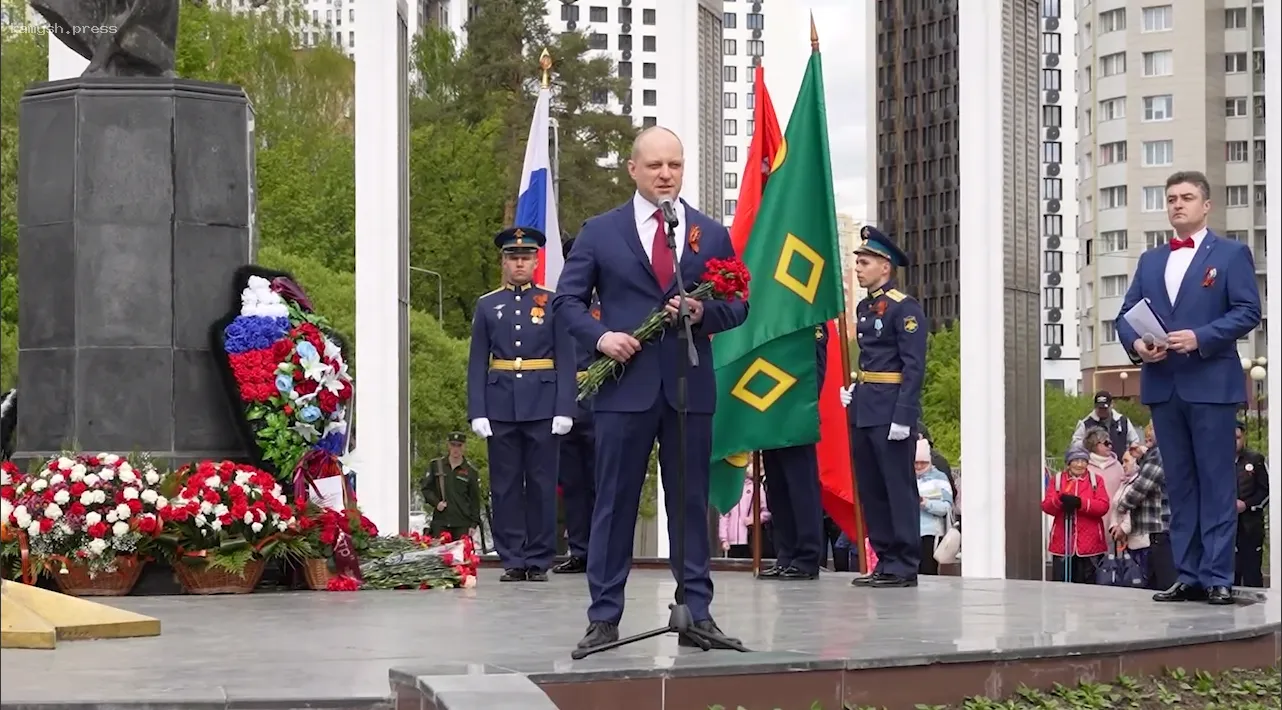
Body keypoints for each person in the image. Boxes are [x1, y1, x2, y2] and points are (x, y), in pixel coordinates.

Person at [552, 126, 750, 651]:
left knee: (690, 503)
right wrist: (602, 337)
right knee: (613, 502)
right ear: (633, 169)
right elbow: (566, 303)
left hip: (688, 388)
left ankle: (696, 612)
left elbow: (739, 304)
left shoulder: (709, 234)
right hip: (623, 389)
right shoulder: (600, 231)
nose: (666, 174)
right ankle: (604, 617)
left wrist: (702, 311)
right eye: (656, 165)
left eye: (676, 165)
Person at [1116, 170, 1262, 605]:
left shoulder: (1232, 254)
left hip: (1211, 383)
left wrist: (1201, 336)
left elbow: (1248, 310)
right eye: (1172, 198)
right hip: (1163, 383)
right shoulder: (1151, 260)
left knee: (1217, 482)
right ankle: (1189, 573)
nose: (1178, 204)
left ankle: (1218, 575)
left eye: (1187, 197)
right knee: (1179, 485)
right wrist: (1139, 344)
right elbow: (1126, 314)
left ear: (1206, 205)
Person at [466, 226, 577, 583]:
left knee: (543, 484)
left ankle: (539, 558)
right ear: (504, 262)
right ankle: (512, 557)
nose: (519, 264)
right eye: (513, 258)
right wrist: (477, 410)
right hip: (500, 405)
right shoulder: (488, 305)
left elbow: (566, 359)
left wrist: (565, 408)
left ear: (535, 261)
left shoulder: (553, 303)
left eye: (525, 258)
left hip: (544, 404)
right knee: (505, 485)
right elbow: (477, 361)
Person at [838, 226, 928, 588]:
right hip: (866, 407)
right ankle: (885, 558)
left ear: (884, 267)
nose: (857, 268)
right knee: (872, 487)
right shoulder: (864, 307)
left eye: (864, 262)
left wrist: (904, 415)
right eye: (857, 261)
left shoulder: (904, 309)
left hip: (891, 409)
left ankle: (905, 563)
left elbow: (913, 366)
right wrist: (854, 391)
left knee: (897, 486)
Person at [758, 323, 828, 581]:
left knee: (801, 488)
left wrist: (802, 409)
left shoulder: (810, 319)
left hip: (797, 416)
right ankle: (785, 554)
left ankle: (807, 557)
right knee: (776, 489)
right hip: (771, 411)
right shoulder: (770, 317)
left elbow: (816, 369)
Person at [553, 237, 598, 576]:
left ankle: (604, 550)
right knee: (572, 484)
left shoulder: (608, 301)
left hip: (603, 398)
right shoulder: (556, 304)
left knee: (604, 481)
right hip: (567, 402)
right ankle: (580, 549)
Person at [1110, 422, 1177, 591]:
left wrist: (1122, 506)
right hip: (1152, 530)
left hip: (1159, 526)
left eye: (1153, 429)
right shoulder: (1155, 454)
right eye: (1147, 429)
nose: (1148, 433)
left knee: (1163, 582)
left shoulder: (1160, 454)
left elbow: (1141, 487)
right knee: (1153, 582)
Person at [1042, 445, 1111, 584]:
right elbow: (1047, 506)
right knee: (1061, 584)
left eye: (1083, 461)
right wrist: (1059, 501)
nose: (1080, 464)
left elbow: (1103, 506)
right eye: (1076, 460)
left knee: (1088, 585)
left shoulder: (1096, 481)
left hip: (1090, 543)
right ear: (1069, 462)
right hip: (1063, 541)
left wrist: (1081, 503)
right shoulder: (1058, 480)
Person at [422, 432, 482, 541]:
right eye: (453, 445)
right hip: (441, 522)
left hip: (462, 524)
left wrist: (474, 524)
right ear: (448, 445)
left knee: (461, 556)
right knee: (440, 556)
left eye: (459, 445)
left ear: (464, 446)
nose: (456, 449)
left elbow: (475, 500)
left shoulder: (471, 471)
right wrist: (436, 502)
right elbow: (426, 489)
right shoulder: (437, 466)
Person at [1234, 421, 1269, 588]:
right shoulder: (1219, 461)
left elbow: (1266, 491)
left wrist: (1246, 504)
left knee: (1252, 573)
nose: (1235, 442)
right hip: (1227, 526)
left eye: (1238, 437)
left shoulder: (1255, 460)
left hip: (1250, 525)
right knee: (1231, 571)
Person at [914, 439, 954, 576]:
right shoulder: (906, 478)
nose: (919, 466)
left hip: (931, 535)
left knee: (928, 573)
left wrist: (925, 503)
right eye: (916, 463)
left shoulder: (940, 478)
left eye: (923, 463)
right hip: (909, 534)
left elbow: (947, 507)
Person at [1071, 391, 1141, 455]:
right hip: (1094, 465)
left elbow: (1135, 441)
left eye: (1105, 408)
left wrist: (1130, 454)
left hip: (1120, 464)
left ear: (1111, 405)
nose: (1102, 411)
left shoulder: (1123, 421)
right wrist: (1088, 443)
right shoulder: (1086, 423)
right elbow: (1075, 444)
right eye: (1099, 408)